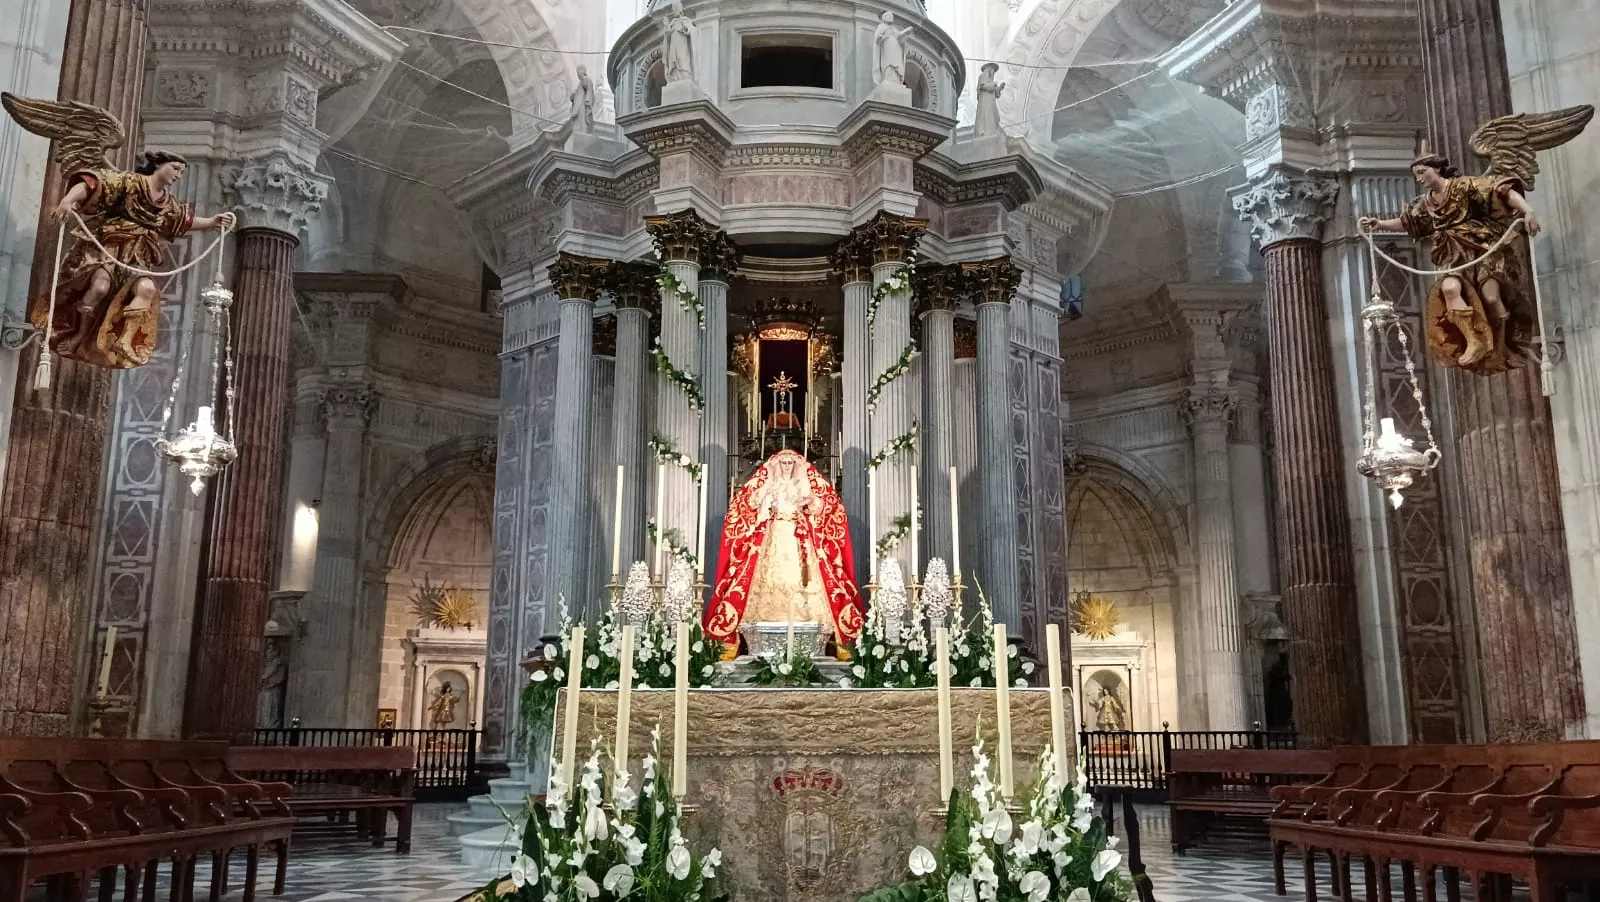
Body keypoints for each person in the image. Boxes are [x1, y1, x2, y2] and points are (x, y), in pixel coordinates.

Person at [45, 150, 235, 367]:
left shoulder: (166, 202)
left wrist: (212, 222)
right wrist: (67, 200)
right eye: (175, 168)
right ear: (158, 165)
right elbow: (93, 184)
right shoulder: (130, 182)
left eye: (181, 172)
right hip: (108, 247)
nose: (178, 175)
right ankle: (79, 333)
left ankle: (124, 340)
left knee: (147, 290)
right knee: (99, 289)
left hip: (136, 254)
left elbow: (181, 220)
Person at [1360, 153, 1539, 371]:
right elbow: (1409, 223)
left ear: (1436, 169)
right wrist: (1380, 224)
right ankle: (1474, 340)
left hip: (1482, 247)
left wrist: (1528, 211)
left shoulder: (1464, 186)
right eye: (1416, 175)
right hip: (1453, 254)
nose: (1419, 179)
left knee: (1491, 298)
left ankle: (1508, 336)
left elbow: (1500, 191)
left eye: (1421, 172)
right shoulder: (1427, 203)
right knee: (1449, 288)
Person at [705, 450, 863, 657]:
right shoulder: (770, 485)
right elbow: (752, 505)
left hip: (800, 538)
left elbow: (827, 506)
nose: (787, 466)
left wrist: (811, 501)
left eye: (790, 463)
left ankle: (806, 620)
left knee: (803, 579)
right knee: (769, 578)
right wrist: (764, 500)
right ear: (777, 466)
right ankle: (766, 623)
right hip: (774, 535)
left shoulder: (805, 484)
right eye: (784, 463)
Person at [873, 11, 913, 88]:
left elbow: (899, 36)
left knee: (897, 64)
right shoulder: (881, 26)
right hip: (887, 48)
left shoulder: (894, 29)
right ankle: (888, 78)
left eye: (892, 16)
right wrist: (882, 37)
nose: (891, 18)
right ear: (884, 18)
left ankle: (896, 79)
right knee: (888, 63)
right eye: (889, 16)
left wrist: (906, 31)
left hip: (896, 48)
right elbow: (877, 39)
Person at [974, 62, 1005, 137]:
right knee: (988, 114)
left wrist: (999, 88)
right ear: (990, 70)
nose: (994, 73)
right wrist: (993, 85)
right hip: (985, 101)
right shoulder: (983, 76)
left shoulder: (991, 81)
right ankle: (987, 132)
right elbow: (983, 86)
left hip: (991, 101)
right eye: (993, 71)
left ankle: (991, 131)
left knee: (995, 116)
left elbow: (996, 94)